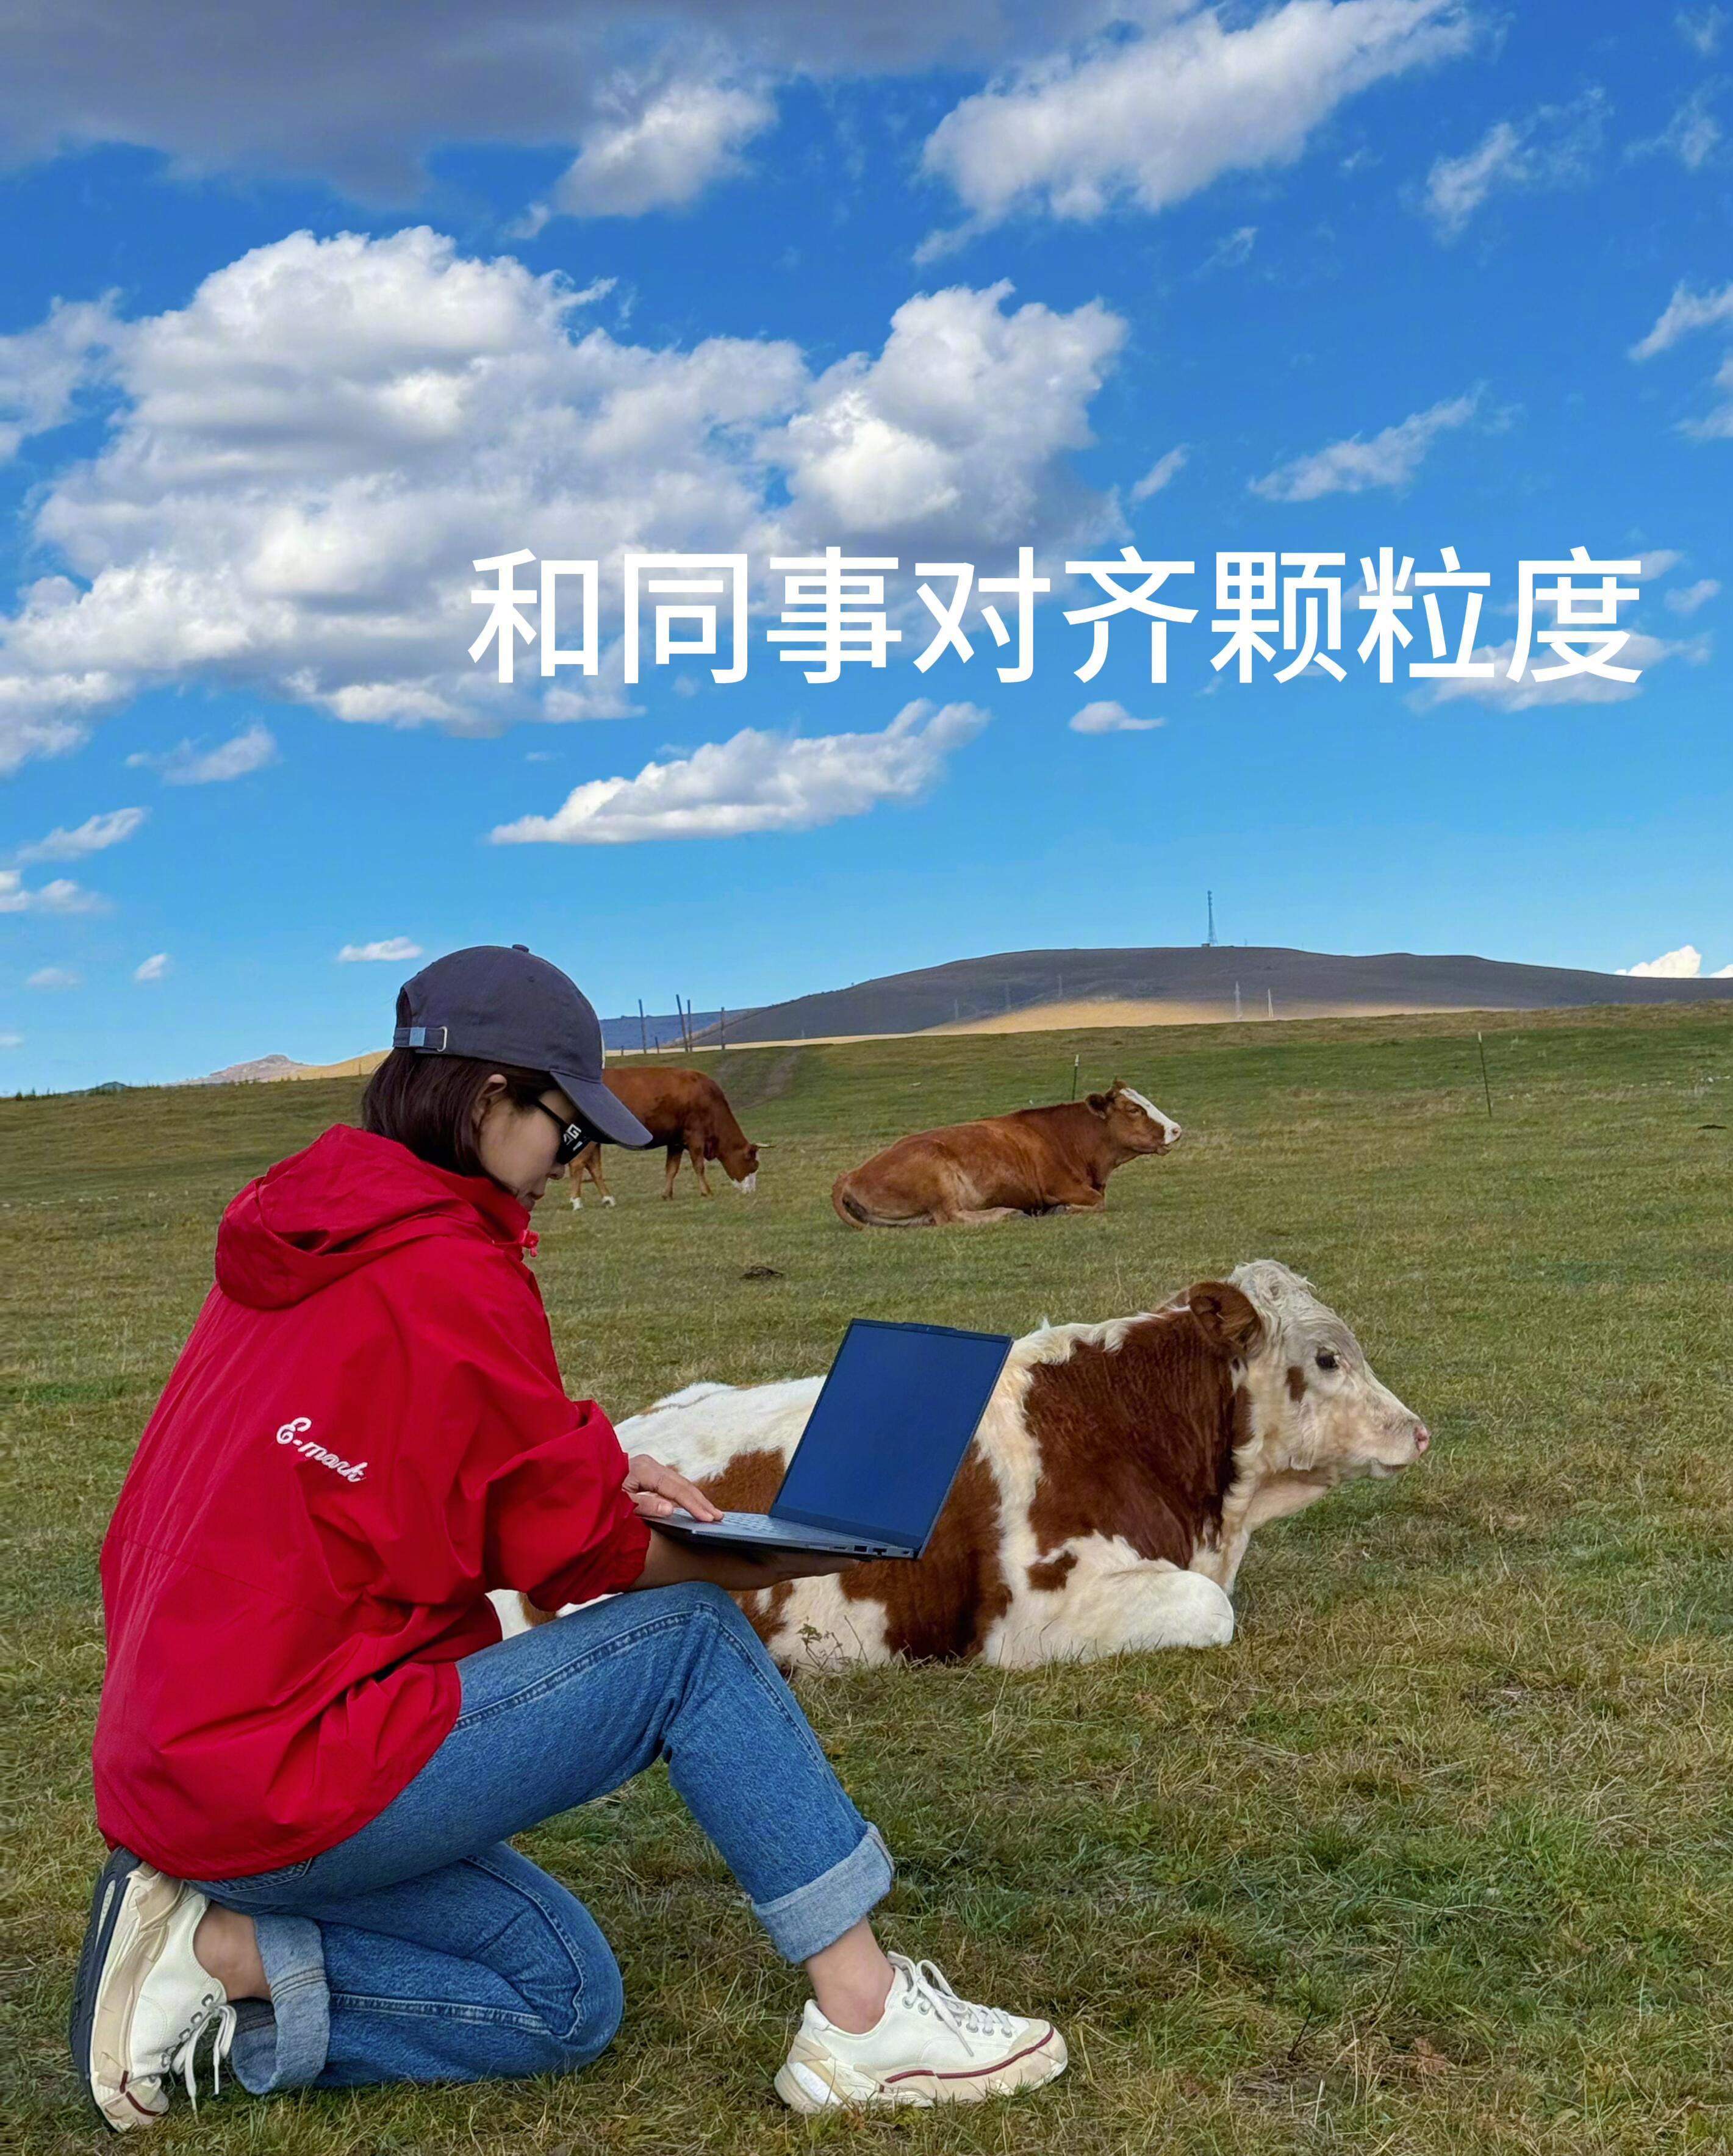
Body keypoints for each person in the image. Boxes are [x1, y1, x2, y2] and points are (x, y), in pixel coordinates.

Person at [70, 944, 1066, 2129]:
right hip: (279, 1765)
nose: (569, 1158)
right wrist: (786, 1552)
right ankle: (867, 2018)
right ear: (489, 1100)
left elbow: (400, 1474)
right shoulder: (448, 1266)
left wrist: (591, 1469)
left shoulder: (307, 1235)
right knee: (689, 1645)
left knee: (563, 1998)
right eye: (568, 1126)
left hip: (176, 1760)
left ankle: (215, 1955)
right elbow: (582, 1559)